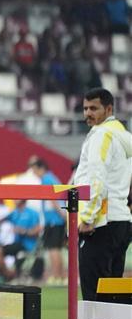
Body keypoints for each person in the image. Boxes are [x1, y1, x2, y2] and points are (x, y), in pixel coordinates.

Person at [72, 88, 132, 302]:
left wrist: (87, 218)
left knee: (94, 294)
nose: (88, 113)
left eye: (93, 108)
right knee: (114, 295)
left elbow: (96, 180)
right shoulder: (125, 136)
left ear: (108, 109)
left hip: (101, 223)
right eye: (85, 108)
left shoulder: (101, 134)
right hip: (122, 222)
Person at [28, 157, 67, 283]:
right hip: (57, 218)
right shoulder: (52, 177)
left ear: (41, 168)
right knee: (57, 248)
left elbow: (53, 199)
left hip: (53, 219)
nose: (33, 173)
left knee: (53, 248)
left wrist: (61, 213)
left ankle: (56, 276)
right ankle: (60, 276)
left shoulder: (46, 179)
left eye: (34, 170)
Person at [0, 200, 43, 280]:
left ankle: (9, 275)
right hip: (17, 244)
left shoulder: (32, 213)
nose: (14, 200)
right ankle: (8, 274)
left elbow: (38, 230)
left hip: (28, 245)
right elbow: (2, 220)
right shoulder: (14, 212)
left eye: (16, 199)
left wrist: (23, 231)